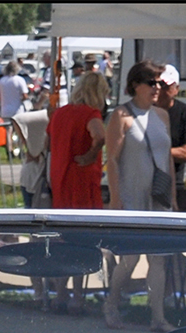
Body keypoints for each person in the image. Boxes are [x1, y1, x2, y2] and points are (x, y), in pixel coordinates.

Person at [103, 60, 174, 331]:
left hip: (158, 196)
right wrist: (115, 199)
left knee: (159, 258)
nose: (157, 88)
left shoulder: (162, 116)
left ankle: (158, 316)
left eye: (160, 83)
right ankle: (111, 303)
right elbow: (112, 160)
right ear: (136, 85)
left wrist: (172, 196)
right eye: (152, 83)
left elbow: (166, 158)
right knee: (130, 257)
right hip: (131, 196)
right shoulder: (121, 115)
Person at [46, 70, 106, 313]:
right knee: (83, 241)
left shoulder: (60, 113)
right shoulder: (91, 114)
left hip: (60, 180)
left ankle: (60, 293)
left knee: (62, 240)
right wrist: (91, 155)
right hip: (82, 181)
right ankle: (77, 296)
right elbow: (99, 135)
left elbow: (47, 141)